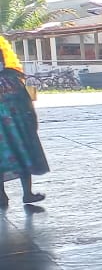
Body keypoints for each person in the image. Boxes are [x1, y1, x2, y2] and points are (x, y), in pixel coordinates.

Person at [0, 36, 48, 208]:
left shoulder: (12, 79)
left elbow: (26, 102)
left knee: (19, 156)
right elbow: (26, 103)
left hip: (17, 128)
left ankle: (18, 194)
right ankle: (18, 194)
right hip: (16, 129)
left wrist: (32, 119)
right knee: (20, 156)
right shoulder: (12, 80)